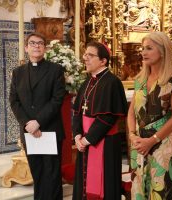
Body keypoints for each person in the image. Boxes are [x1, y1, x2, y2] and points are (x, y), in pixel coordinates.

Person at [127, 32, 172, 199]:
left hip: (162, 145)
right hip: (139, 144)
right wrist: (132, 135)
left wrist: (152, 140)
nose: (143, 52)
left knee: (161, 191)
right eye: (143, 48)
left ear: (163, 51)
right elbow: (131, 112)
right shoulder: (140, 80)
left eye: (149, 48)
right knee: (139, 191)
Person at [9, 32, 66, 200]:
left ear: (45, 48)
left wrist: (38, 122)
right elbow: (14, 100)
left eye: (40, 43)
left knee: (52, 175)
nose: (36, 46)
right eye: (32, 43)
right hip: (29, 131)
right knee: (37, 172)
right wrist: (28, 123)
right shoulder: (18, 72)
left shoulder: (55, 70)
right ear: (26, 48)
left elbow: (57, 100)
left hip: (49, 129)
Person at [72, 41, 128, 200]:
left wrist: (87, 140)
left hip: (105, 142)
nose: (85, 58)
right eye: (85, 55)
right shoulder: (87, 81)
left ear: (103, 61)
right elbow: (77, 112)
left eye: (90, 55)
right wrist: (77, 136)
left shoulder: (112, 82)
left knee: (105, 185)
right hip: (84, 141)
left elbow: (109, 116)